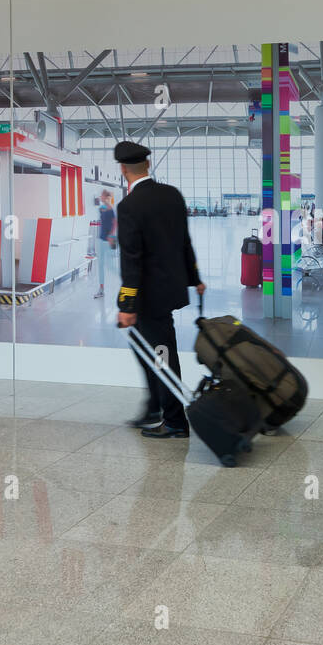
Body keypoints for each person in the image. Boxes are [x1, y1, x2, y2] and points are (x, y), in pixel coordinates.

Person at [113, 140, 205, 438]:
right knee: (143, 346)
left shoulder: (129, 206)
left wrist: (127, 307)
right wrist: (195, 278)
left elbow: (132, 261)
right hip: (171, 290)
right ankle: (154, 407)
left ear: (123, 169)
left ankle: (176, 422)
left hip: (149, 299)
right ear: (148, 165)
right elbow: (184, 242)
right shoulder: (172, 195)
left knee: (163, 355)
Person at [95, 190, 116, 298]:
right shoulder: (102, 209)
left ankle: (127, 282)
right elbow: (103, 222)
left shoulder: (112, 209)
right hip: (101, 239)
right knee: (101, 265)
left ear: (106, 197)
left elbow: (116, 223)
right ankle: (101, 289)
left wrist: (111, 236)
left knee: (111, 266)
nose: (100, 197)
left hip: (109, 240)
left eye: (102, 195)